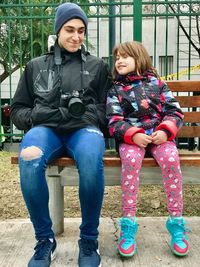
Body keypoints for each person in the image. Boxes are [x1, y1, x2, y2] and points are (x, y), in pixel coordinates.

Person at [11, 3, 112, 267]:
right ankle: (45, 240)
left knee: (91, 158)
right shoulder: (36, 66)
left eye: (81, 30)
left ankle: (89, 239)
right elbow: (17, 111)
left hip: (83, 131)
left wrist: (82, 116)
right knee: (29, 157)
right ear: (58, 30)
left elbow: (106, 110)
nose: (76, 36)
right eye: (69, 29)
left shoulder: (97, 66)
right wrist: (40, 116)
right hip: (46, 131)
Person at [106, 41, 189, 258]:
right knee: (131, 162)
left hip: (159, 137)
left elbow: (175, 112)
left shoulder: (157, 84)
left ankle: (176, 224)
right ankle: (128, 225)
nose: (119, 61)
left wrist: (165, 131)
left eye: (125, 56)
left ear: (139, 58)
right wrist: (133, 134)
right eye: (117, 58)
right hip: (133, 139)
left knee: (171, 159)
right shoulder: (115, 89)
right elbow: (113, 120)